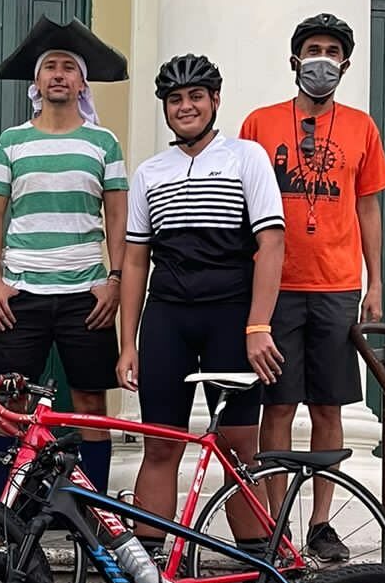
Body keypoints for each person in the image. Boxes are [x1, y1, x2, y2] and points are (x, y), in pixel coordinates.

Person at [240, 13, 385, 563]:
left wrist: (376, 282)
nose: (321, 59)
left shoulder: (361, 128)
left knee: (328, 407)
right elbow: (241, 203)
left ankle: (321, 523)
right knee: (277, 406)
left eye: (332, 50)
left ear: (345, 63)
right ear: (294, 59)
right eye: (312, 49)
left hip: (336, 285)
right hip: (276, 288)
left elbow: (368, 205)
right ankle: (276, 525)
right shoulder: (259, 123)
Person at [117, 53, 285, 548]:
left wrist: (258, 326)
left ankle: (259, 567)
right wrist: (127, 343)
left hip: (230, 316)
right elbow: (134, 261)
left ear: (215, 101)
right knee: (160, 444)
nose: (185, 106)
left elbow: (271, 244)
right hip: (167, 315)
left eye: (195, 97)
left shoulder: (246, 157)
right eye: (175, 99)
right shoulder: (150, 171)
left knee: (237, 450)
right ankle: (147, 573)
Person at [0, 15, 129, 494]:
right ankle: (5, 511)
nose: (60, 74)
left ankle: (96, 508)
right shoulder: (12, 141)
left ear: (82, 81)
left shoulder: (102, 142)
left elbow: (118, 217)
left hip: (85, 293)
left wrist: (114, 280)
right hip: (20, 291)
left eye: (69, 67)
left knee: (89, 401)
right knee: (11, 401)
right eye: (51, 67)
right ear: (37, 81)